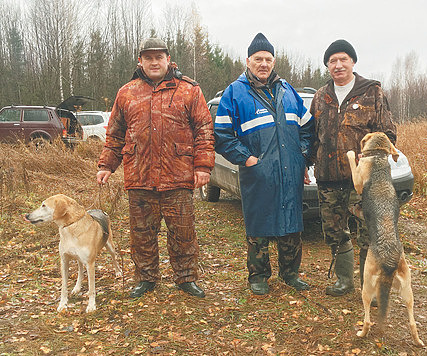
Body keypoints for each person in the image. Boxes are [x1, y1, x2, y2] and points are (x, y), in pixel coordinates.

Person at [96, 38, 214, 299]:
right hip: (140, 176)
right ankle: (146, 279)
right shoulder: (126, 92)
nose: (154, 62)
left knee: (183, 232)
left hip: (178, 176)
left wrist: (203, 166)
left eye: (158, 57)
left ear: (168, 60)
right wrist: (106, 165)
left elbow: (204, 130)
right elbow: (115, 134)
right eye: (148, 58)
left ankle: (185, 279)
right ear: (140, 61)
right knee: (141, 234)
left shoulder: (189, 90)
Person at [214, 33, 314, 295]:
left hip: (289, 170)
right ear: (248, 61)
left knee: (291, 222)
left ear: (274, 61)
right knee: (259, 224)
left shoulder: (287, 90)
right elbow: (222, 135)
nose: (263, 64)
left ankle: (290, 273)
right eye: (258, 59)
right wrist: (248, 159)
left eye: (268, 59)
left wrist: (301, 156)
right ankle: (258, 276)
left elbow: (308, 128)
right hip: (258, 172)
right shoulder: (235, 93)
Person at [309, 39, 397, 297]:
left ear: (353, 62)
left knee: (369, 234)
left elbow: (388, 134)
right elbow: (313, 136)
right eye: (332, 61)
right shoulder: (320, 96)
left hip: (366, 180)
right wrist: (307, 162)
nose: (338, 65)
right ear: (327, 66)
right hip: (328, 178)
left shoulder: (372, 92)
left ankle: (368, 285)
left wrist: (370, 156)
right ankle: (344, 280)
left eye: (342, 59)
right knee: (334, 231)